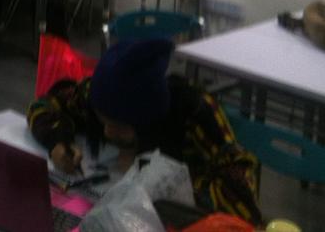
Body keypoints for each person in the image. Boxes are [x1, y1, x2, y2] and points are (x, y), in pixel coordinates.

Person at [26, 38, 262, 225]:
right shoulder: (98, 95)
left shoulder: (195, 112)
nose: (107, 132)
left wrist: (163, 187)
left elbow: (242, 202)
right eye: (102, 120)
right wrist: (57, 140)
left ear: (147, 122)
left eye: (120, 127)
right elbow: (44, 105)